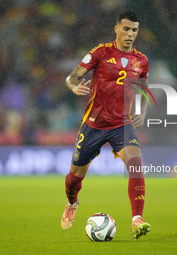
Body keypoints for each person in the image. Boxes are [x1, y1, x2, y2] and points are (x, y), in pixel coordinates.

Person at [61, 11, 151, 239]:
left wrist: (141, 110)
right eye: (127, 29)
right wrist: (74, 86)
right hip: (93, 125)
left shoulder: (141, 60)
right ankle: (72, 203)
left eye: (134, 30)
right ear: (117, 29)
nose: (130, 34)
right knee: (74, 177)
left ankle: (136, 219)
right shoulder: (100, 53)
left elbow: (143, 87)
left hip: (121, 123)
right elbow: (72, 76)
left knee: (135, 163)